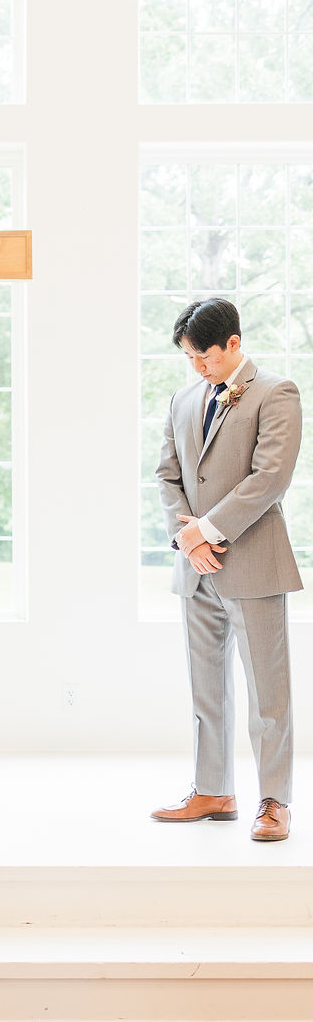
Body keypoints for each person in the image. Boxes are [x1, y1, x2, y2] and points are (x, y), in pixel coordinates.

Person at [152, 297, 302, 843]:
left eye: (205, 357)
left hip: (254, 564)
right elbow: (167, 476)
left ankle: (274, 801)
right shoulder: (183, 397)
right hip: (196, 569)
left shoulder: (276, 392)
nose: (198, 367)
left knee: (268, 692)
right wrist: (186, 538)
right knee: (205, 687)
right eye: (189, 357)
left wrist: (206, 530)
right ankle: (213, 790)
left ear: (233, 344)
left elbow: (270, 479)